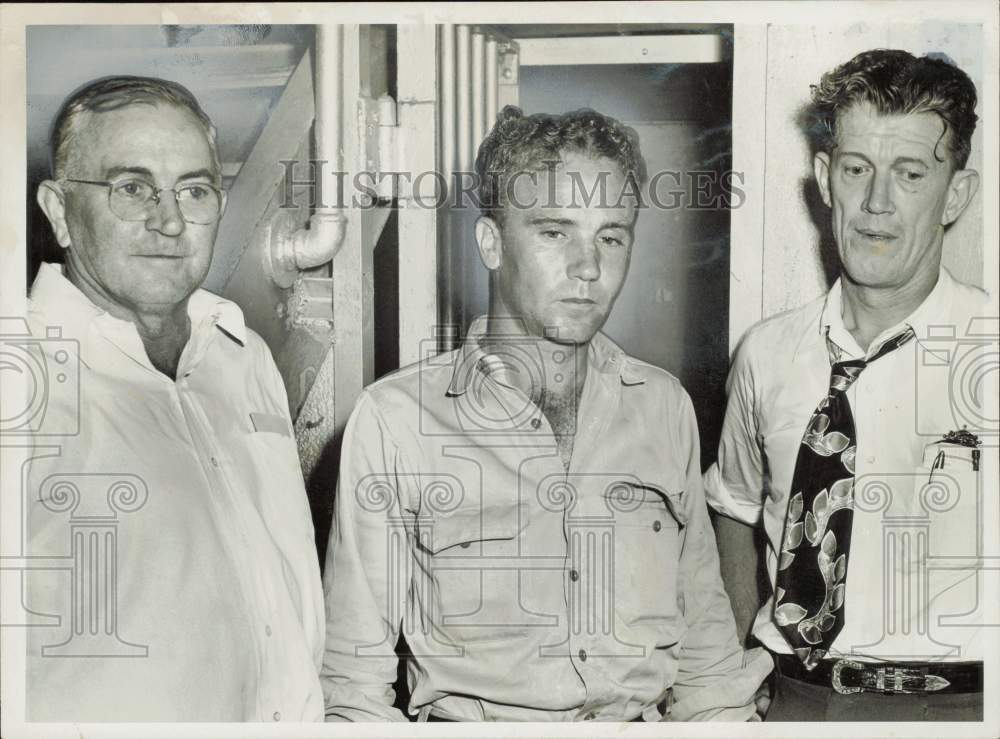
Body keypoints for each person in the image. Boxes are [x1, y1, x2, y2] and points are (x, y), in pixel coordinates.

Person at [321, 106, 772, 722]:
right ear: (491, 243)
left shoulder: (663, 406)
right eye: (555, 232)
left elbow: (708, 661)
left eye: (611, 236)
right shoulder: (395, 420)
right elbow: (352, 684)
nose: (588, 267)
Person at [25, 76, 324, 721]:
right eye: (131, 188)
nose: (167, 221)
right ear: (58, 211)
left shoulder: (241, 356)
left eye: (193, 190)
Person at [705, 49, 988, 721]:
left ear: (956, 194)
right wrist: (741, 673)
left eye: (910, 173)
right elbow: (733, 509)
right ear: (826, 178)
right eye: (857, 169)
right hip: (794, 701)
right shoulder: (765, 354)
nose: (876, 203)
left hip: (960, 706)